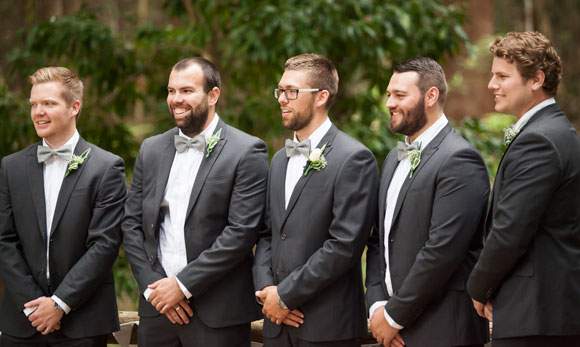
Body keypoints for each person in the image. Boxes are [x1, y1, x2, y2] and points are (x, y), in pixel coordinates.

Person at [122, 57, 268, 346]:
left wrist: (181, 286)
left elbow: (241, 232)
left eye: (187, 91)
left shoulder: (246, 151)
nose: (176, 99)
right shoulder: (151, 149)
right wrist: (154, 290)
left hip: (216, 314)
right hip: (157, 312)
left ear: (213, 95)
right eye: (171, 90)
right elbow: (131, 224)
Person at [253, 53, 379, 347]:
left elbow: (344, 245)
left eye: (292, 92)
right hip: (276, 325)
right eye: (280, 91)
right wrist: (267, 290)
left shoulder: (354, 159)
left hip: (327, 326)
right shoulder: (280, 160)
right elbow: (268, 233)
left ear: (321, 96)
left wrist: (285, 296)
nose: (282, 99)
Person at [365, 57, 490, 347]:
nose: (389, 103)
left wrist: (394, 317)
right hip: (391, 329)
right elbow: (377, 241)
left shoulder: (460, 159)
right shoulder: (393, 159)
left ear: (431, 96)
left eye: (400, 95)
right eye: (388, 94)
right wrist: (376, 307)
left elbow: (441, 252)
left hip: (444, 330)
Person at [467, 31, 580, 347]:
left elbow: (510, 231)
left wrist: (478, 287)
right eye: (493, 75)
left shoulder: (539, 140)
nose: (492, 85)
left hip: (536, 316)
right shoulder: (555, 131)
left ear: (536, 80)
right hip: (546, 314)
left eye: (502, 76)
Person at [0, 67, 126, 346]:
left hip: (83, 322)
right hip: (22, 321)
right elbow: (4, 240)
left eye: (48, 103)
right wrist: (33, 305)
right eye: (34, 104)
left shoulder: (106, 168)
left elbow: (105, 244)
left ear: (74, 107)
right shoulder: (11, 167)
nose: (38, 112)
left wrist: (60, 303)